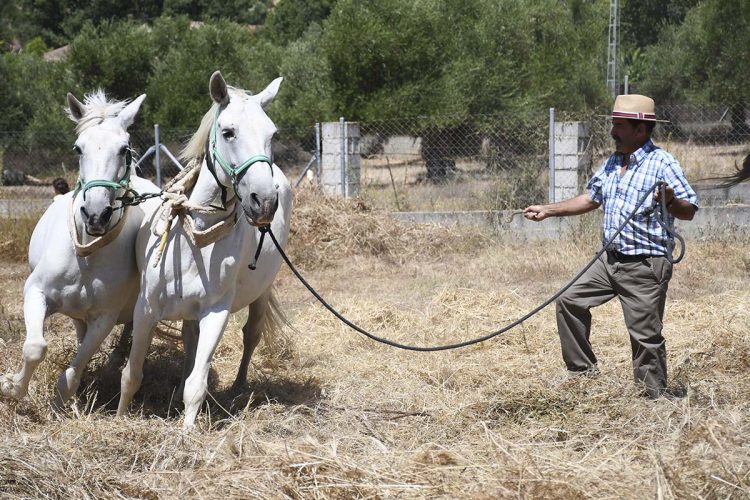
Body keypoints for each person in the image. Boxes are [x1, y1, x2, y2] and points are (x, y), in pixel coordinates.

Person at [523, 94, 698, 399]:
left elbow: (690, 209)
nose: (613, 131)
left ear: (640, 130)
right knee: (569, 301)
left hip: (645, 264)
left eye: (619, 125)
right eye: (614, 124)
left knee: (645, 336)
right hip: (608, 261)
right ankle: (583, 375)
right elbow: (591, 198)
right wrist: (548, 210)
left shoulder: (662, 163)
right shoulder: (613, 162)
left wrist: (670, 199)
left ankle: (652, 397)